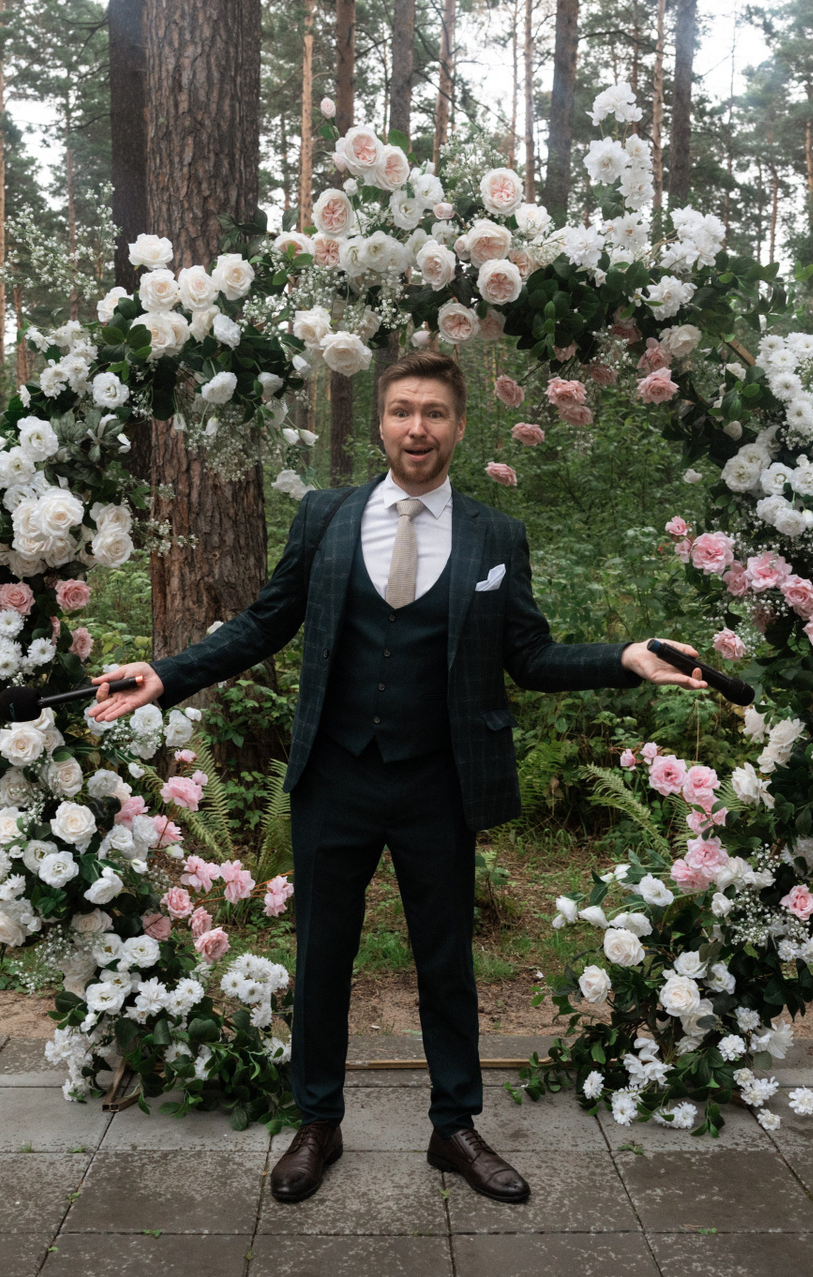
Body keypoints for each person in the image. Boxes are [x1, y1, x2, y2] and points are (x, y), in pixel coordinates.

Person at [88, 350, 705, 1204]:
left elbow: (529, 655)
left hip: (440, 781)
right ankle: (318, 1120)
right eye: (403, 411)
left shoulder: (495, 535)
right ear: (380, 424)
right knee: (322, 956)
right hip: (335, 775)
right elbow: (265, 623)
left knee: (445, 959)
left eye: (436, 413)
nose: (419, 428)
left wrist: (624, 657)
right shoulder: (325, 517)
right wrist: (166, 673)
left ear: (459, 426)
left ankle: (455, 1125)